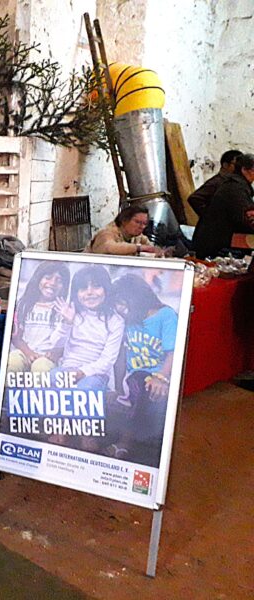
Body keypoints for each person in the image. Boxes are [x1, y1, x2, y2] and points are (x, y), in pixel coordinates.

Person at [105, 274, 177, 466]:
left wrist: (161, 377)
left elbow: (173, 353)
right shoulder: (127, 319)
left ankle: (124, 442)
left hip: (157, 376)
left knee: (142, 382)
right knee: (135, 382)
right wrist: (119, 387)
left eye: (122, 303)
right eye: (117, 304)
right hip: (133, 378)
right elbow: (121, 356)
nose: (120, 308)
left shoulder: (166, 316)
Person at [7, 261, 71, 373]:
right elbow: (16, 337)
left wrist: (57, 353)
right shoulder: (24, 305)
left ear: (64, 286)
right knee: (13, 360)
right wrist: (29, 353)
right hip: (25, 352)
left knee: (40, 367)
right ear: (38, 279)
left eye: (59, 280)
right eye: (47, 277)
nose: (52, 283)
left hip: (49, 358)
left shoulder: (65, 310)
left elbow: (69, 340)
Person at [192, 153, 254, 259]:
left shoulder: (236, 185)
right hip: (216, 245)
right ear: (244, 169)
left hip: (215, 239)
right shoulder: (235, 188)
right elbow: (245, 218)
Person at [86, 205, 161, 256]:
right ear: (124, 220)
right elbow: (109, 247)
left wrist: (161, 253)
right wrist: (139, 248)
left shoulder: (139, 238)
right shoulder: (107, 233)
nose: (141, 227)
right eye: (137, 222)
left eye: (144, 223)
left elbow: (151, 249)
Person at [187, 149, 242, 218]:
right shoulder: (217, 182)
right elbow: (194, 198)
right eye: (236, 165)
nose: (239, 168)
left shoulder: (232, 182)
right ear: (225, 165)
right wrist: (211, 217)